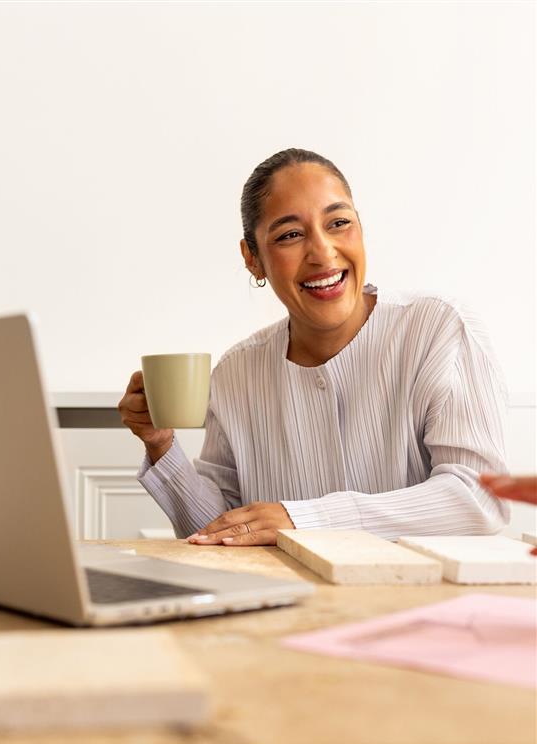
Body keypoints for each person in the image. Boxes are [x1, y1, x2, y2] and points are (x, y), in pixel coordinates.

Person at [119, 148, 509, 546]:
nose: (323, 253)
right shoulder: (236, 372)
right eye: (290, 235)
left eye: (339, 223)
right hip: (280, 589)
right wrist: (161, 445)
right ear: (253, 259)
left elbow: (479, 498)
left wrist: (306, 518)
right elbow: (222, 531)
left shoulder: (439, 328)